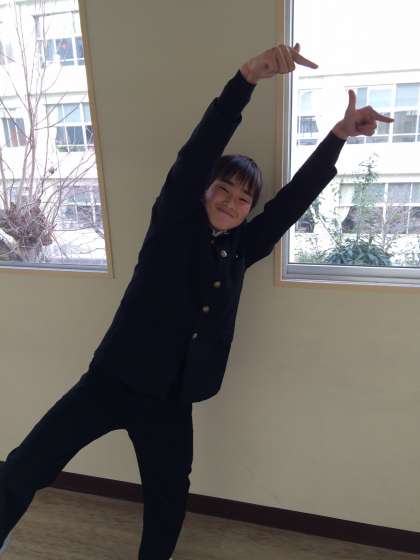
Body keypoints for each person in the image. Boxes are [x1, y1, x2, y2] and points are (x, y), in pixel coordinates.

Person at [0, 43, 392, 559]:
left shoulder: (242, 248)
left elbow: (292, 202)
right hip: (110, 381)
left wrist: (338, 137)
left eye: (243, 198)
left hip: (170, 400)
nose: (232, 202)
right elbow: (196, 154)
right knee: (26, 466)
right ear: (204, 191)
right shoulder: (172, 223)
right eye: (223, 190)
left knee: (168, 504)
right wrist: (245, 79)